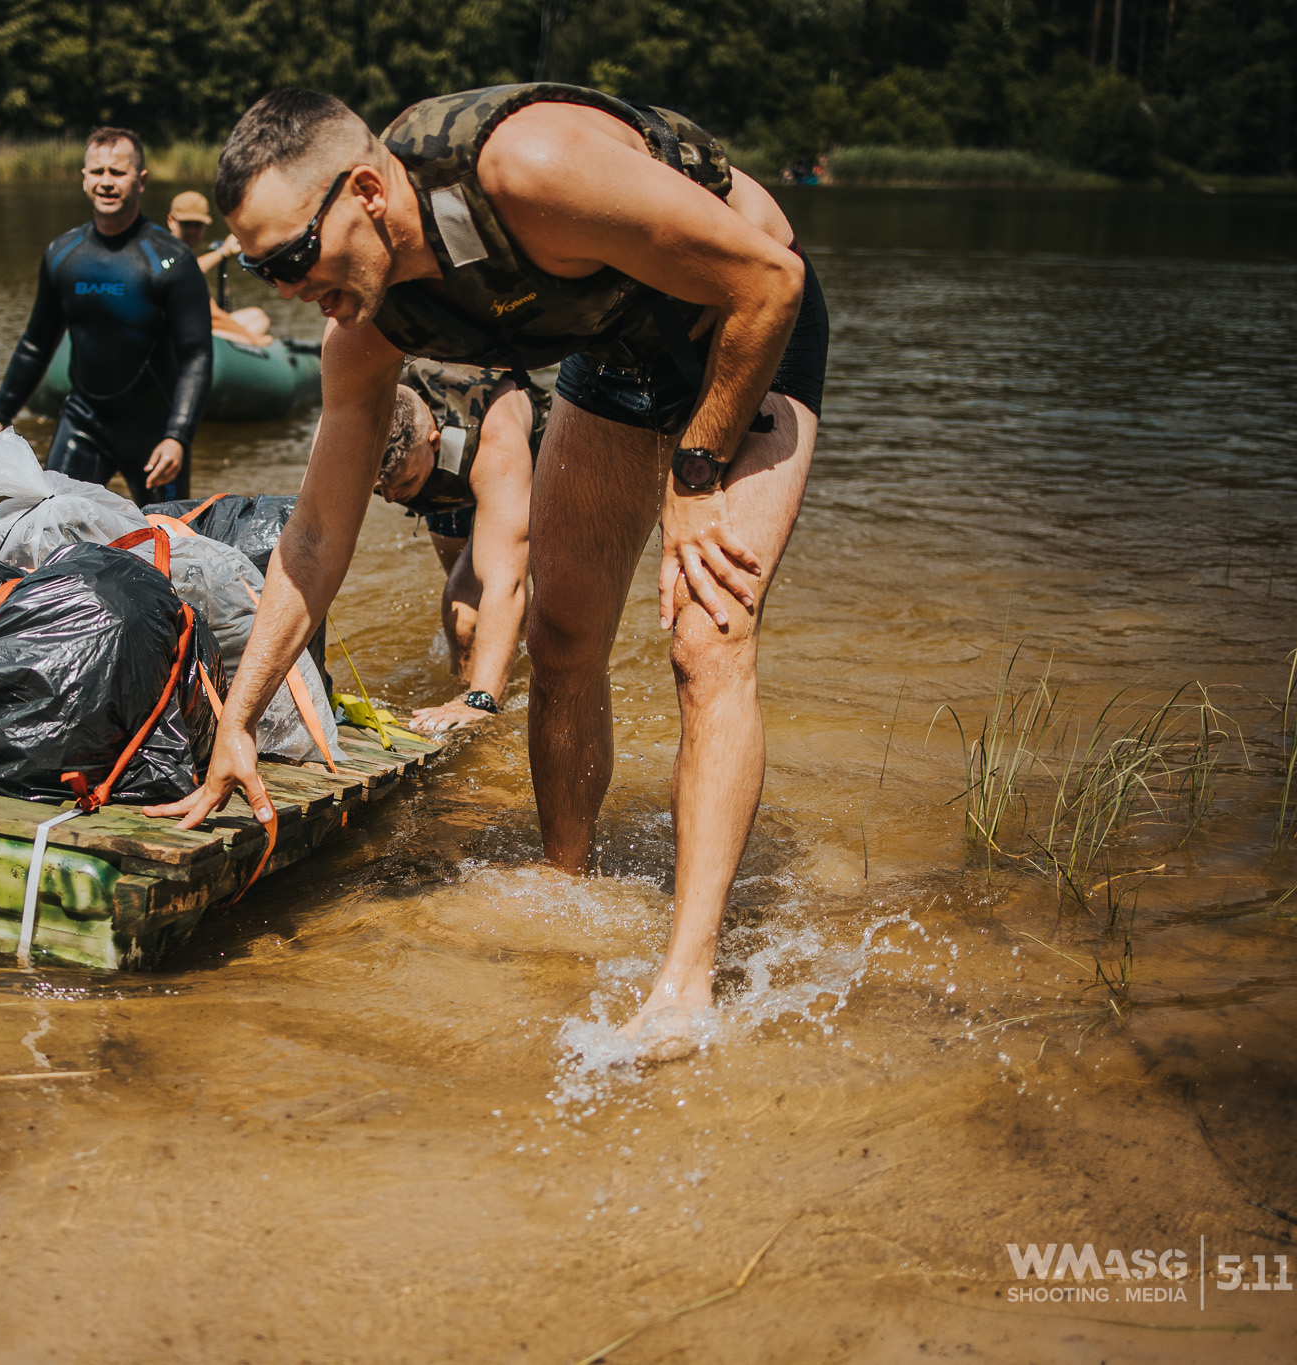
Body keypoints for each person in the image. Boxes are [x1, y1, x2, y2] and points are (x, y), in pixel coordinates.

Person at [146, 85, 829, 1054]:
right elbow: (311, 543)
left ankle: (685, 982)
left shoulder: (528, 168)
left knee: (701, 634)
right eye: (259, 269)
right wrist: (238, 723)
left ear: (369, 190)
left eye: (293, 256)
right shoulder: (365, 327)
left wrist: (696, 465)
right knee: (559, 633)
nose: (284, 289)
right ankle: (566, 879)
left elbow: (768, 280)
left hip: (739, 332)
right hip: (619, 346)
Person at [0, 127, 211, 506]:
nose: (106, 182)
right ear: (84, 178)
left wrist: (178, 435)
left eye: (118, 173)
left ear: (141, 180)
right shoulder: (63, 254)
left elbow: (197, 355)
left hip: (154, 431)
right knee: (51, 530)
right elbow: (36, 343)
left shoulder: (172, 260)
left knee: (166, 544)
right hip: (83, 422)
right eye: (97, 171)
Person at [376, 358, 548, 733]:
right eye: (381, 489)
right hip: (443, 479)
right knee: (463, 630)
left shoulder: (495, 440)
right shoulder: (361, 421)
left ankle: (486, 709)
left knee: (473, 611)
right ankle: (465, 686)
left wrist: (481, 700)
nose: (391, 499)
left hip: (511, 465)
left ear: (433, 443)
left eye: (402, 485)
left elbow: (506, 583)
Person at [165, 189, 275, 346]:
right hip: (180, 335)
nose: (191, 231)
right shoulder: (166, 253)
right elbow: (213, 316)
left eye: (197, 225)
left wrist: (225, 251)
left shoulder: (181, 254)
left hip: (194, 327)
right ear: (171, 221)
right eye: (186, 224)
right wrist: (256, 342)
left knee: (258, 317)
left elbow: (194, 268)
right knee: (256, 330)